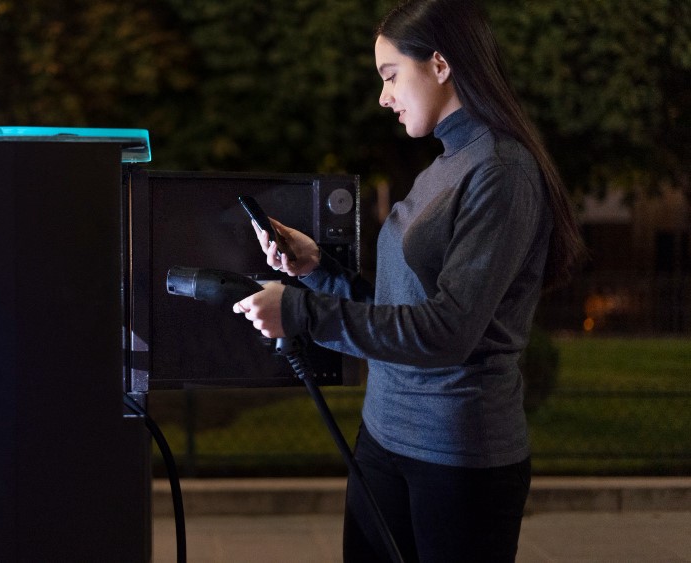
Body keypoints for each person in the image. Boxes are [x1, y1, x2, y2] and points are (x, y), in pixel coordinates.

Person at [231, 0, 585, 561]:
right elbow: (402, 307)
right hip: (383, 439)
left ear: (441, 65)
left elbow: (447, 331)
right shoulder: (445, 165)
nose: (383, 96)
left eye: (391, 76)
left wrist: (301, 314)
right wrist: (319, 270)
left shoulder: (501, 171)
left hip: (456, 457)